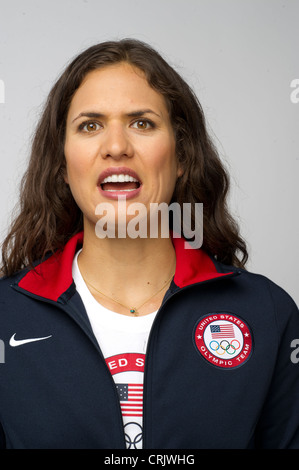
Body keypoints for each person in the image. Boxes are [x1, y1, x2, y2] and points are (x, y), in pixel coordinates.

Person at [0, 38, 298, 450]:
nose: (117, 146)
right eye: (90, 125)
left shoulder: (269, 315)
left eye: (142, 123)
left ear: (181, 159)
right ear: (62, 166)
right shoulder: (4, 317)